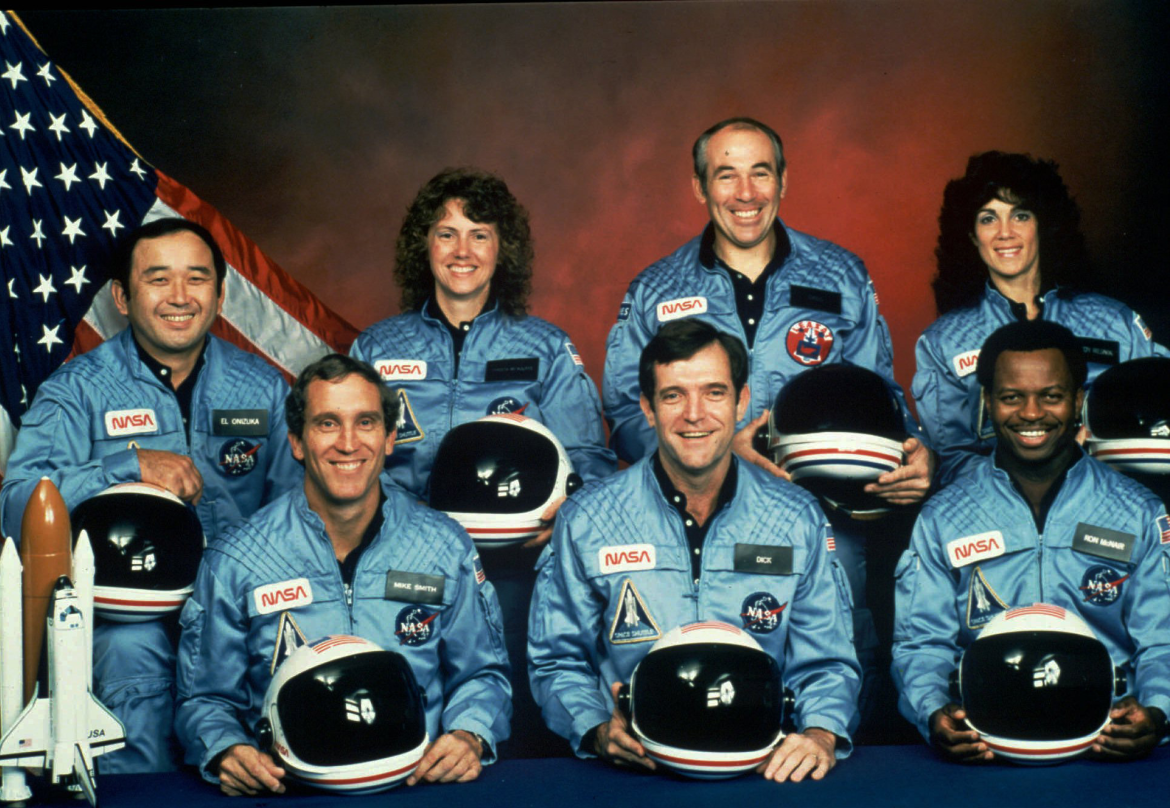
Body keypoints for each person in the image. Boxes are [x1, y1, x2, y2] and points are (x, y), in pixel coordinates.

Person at [601, 117, 929, 729]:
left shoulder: (841, 276)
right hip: (693, 517)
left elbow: (881, 396)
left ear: (784, 180)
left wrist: (914, 452)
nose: (746, 193)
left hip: (825, 518)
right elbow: (624, 409)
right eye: (726, 175)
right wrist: (714, 453)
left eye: (761, 172)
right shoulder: (655, 289)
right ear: (700, 187)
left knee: (835, 671)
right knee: (705, 676)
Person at [0, 217, 300, 773]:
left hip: (237, 612)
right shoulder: (78, 391)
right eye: (158, 279)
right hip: (128, 620)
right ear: (122, 297)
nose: (180, 296)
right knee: (128, 652)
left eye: (197, 278)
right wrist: (128, 465)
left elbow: (297, 512)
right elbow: (18, 505)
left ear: (220, 294)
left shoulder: (260, 386)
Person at [350, 168, 614, 756]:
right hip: (406, 565)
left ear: (503, 249)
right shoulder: (377, 348)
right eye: (446, 234)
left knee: (522, 728)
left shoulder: (545, 346)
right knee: (412, 725)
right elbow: (347, 456)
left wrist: (561, 518)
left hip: (517, 570)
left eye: (480, 235)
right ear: (423, 245)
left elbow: (590, 461)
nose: (462, 251)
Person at [530, 320, 860, 782]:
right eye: (673, 396)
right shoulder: (588, 519)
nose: (694, 414)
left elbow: (827, 661)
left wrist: (821, 733)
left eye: (714, 393)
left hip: (765, 771)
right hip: (635, 773)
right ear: (647, 409)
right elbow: (556, 659)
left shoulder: (795, 517)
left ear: (741, 402)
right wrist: (596, 728)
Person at [175, 355, 511, 795]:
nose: (348, 444)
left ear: (389, 438)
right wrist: (225, 747)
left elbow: (484, 674)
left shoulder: (444, 547)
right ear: (297, 442)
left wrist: (470, 733)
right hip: (291, 793)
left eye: (365, 422)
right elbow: (204, 698)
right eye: (327, 424)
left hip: (416, 787)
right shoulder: (238, 558)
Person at [894, 320, 1170, 761]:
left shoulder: (1138, 512)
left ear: (1078, 400)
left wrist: (1157, 712)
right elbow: (921, 644)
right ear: (987, 402)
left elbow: (1163, 640)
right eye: (1011, 397)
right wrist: (932, 712)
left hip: (1106, 743)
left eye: (1051, 396)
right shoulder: (943, 518)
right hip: (988, 744)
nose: (1031, 413)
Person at [914, 151, 1168, 488]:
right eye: (988, 219)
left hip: (1112, 499)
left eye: (1020, 215)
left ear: (1042, 224)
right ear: (972, 235)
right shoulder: (944, 341)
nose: (1005, 232)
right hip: (1000, 510)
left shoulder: (1114, 322)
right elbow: (950, 460)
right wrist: (1034, 474)